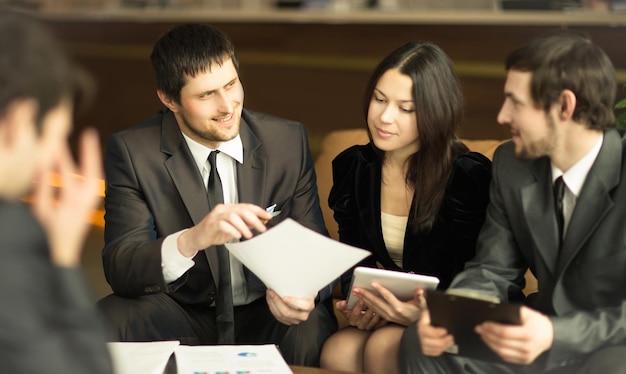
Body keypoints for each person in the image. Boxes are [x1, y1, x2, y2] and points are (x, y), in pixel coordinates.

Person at [97, 22, 337, 367]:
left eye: (231, 84)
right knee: (110, 316)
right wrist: (193, 239)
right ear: (168, 99)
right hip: (184, 312)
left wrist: (302, 291)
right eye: (206, 95)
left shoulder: (286, 141)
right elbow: (122, 265)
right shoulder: (133, 152)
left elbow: (315, 244)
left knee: (311, 324)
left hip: (266, 312)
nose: (227, 106)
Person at [400, 31, 626, 373]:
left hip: (608, 347)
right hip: (535, 342)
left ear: (565, 106)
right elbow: (492, 269)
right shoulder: (512, 165)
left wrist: (555, 333)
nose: (502, 116)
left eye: (516, 103)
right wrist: (452, 315)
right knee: (423, 341)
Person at [320, 41, 492, 373]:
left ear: (435, 112)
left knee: (385, 346)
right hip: (392, 309)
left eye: (406, 108)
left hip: (454, 315)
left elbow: (477, 275)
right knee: (337, 351)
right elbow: (354, 257)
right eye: (379, 99)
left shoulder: (467, 175)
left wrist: (425, 312)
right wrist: (363, 304)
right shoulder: (354, 167)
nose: (384, 117)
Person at [0, 10, 112, 374]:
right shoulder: (12, 236)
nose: (51, 156)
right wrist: (62, 258)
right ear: (19, 122)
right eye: (56, 135)